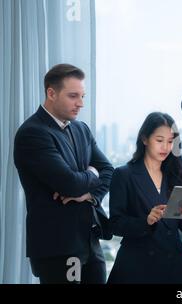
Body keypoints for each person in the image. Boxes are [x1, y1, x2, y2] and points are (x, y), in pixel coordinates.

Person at [13, 64, 114, 284]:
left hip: (90, 241)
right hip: (58, 248)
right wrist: (91, 173)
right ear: (51, 93)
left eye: (82, 96)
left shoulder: (81, 129)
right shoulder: (33, 133)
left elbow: (108, 170)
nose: (81, 103)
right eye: (73, 96)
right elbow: (70, 184)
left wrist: (89, 195)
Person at [107, 112, 182, 284]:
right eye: (159, 140)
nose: (165, 147)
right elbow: (115, 224)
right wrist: (146, 221)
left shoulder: (178, 176)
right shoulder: (124, 175)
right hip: (137, 265)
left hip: (173, 265)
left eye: (170, 141)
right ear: (144, 139)